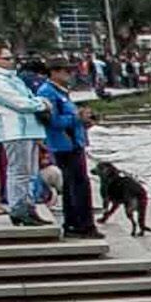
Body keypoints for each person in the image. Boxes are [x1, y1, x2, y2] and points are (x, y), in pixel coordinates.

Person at [30, 59, 93, 237]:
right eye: (66, 71)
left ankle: (81, 223)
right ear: (54, 72)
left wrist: (84, 122)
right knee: (74, 185)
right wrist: (76, 119)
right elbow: (51, 121)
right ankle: (77, 225)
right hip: (63, 145)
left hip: (75, 143)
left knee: (79, 184)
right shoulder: (47, 92)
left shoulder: (62, 92)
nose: (70, 74)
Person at [0, 44, 44, 225]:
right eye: (6, 59)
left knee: (31, 172)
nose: (11, 62)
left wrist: (36, 102)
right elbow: (19, 103)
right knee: (18, 171)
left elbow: (29, 97)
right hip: (14, 130)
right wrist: (42, 104)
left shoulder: (14, 78)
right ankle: (18, 208)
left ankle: (29, 207)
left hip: (29, 129)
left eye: (11, 58)